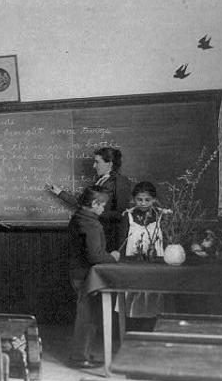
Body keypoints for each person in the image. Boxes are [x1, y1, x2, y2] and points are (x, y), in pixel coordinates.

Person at [68, 186, 121, 368]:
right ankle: (79, 358)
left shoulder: (79, 218)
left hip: (78, 273)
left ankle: (83, 355)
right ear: (94, 203)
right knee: (87, 316)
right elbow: (95, 256)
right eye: (102, 205)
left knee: (87, 315)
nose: (103, 209)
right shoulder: (90, 223)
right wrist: (112, 257)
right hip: (86, 276)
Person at [47, 147, 132, 253]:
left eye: (97, 162)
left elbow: (120, 213)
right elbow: (83, 203)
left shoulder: (120, 182)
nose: (94, 166)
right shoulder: (100, 180)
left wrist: (93, 214)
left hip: (107, 235)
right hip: (93, 232)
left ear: (109, 164)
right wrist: (60, 193)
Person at [120, 181, 169, 330]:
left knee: (153, 293)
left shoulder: (161, 215)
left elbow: (167, 240)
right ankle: (132, 328)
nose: (143, 203)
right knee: (134, 294)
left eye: (147, 200)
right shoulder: (128, 216)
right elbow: (122, 242)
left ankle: (152, 328)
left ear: (154, 199)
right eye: (139, 200)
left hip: (155, 264)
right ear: (133, 199)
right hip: (134, 264)